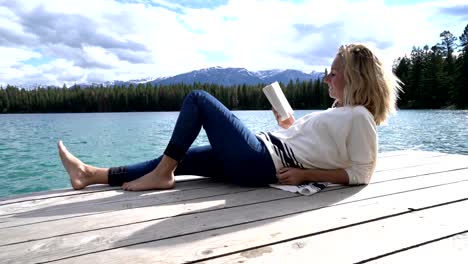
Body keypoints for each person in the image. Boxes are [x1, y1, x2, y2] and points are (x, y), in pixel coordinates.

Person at [58, 43, 401, 191]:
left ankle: (162, 175)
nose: (327, 77)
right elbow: (314, 145)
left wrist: (303, 174)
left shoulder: (360, 118)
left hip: (262, 162)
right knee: (180, 159)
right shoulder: (341, 112)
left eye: (334, 73)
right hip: (265, 154)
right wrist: (290, 125)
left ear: (354, 79)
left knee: (199, 99)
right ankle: (90, 175)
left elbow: (361, 173)